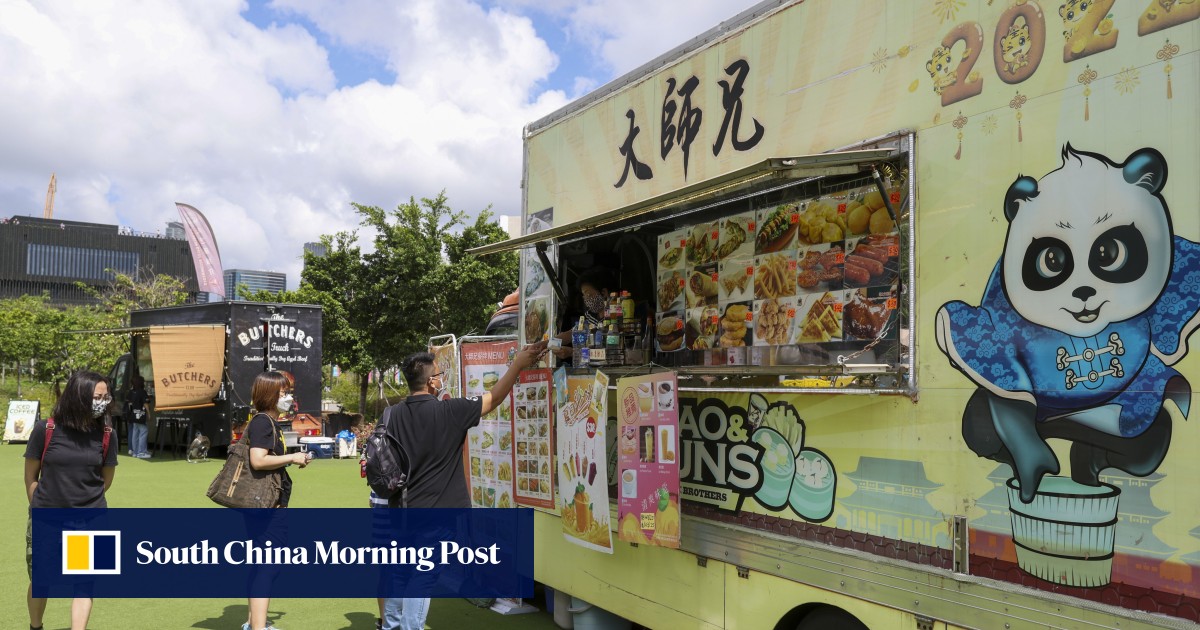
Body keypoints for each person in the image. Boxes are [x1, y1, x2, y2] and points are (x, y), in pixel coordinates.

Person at [380, 341, 546, 630]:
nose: (442, 377)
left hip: (402, 508)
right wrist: (518, 364)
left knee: (401, 572)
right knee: (423, 575)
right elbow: (493, 399)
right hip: (437, 513)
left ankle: (391, 626)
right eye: (439, 373)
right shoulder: (450, 411)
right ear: (432, 382)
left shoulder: (392, 414)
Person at [24, 370, 118, 630]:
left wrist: (84, 502)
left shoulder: (107, 434)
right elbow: (31, 476)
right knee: (41, 580)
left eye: (106, 396)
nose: (103, 401)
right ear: (78, 396)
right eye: (98, 396)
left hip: (90, 519)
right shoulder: (46, 429)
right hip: (48, 519)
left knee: (84, 583)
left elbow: (105, 479)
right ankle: (36, 626)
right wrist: (41, 506)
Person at [241, 371, 311, 630]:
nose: (288, 397)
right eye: (283, 393)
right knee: (269, 566)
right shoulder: (262, 422)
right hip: (267, 507)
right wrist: (291, 458)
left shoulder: (267, 422)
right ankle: (258, 626)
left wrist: (292, 458)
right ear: (269, 394)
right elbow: (258, 460)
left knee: (262, 564)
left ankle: (253, 622)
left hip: (264, 505)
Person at [552, 268, 617, 361]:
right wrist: (547, 344)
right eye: (584, 296)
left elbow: (609, 353)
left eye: (588, 294)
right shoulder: (590, 316)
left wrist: (572, 352)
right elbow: (572, 333)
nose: (586, 299)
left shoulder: (616, 317)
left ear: (603, 293)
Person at [126, 375, 151, 459]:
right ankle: (141, 452)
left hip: (133, 414)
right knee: (143, 432)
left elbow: (129, 403)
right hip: (140, 414)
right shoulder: (142, 392)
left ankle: (135, 451)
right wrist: (149, 413)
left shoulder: (131, 392)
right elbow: (145, 403)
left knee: (135, 433)